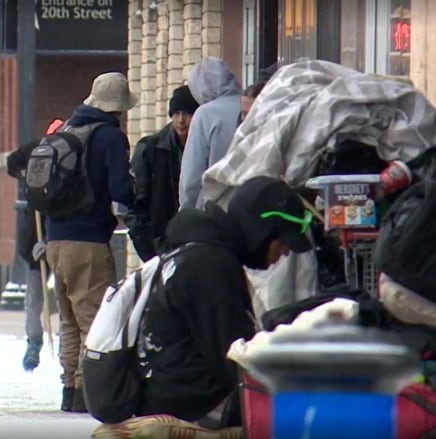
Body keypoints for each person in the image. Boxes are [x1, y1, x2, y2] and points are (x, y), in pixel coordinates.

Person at [138, 176, 314, 427]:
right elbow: (235, 360)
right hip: (189, 405)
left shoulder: (197, 251)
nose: (284, 252)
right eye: (282, 242)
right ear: (262, 230)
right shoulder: (212, 266)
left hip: (167, 392)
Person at [45, 72, 136, 412]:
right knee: (95, 321)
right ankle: (86, 395)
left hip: (56, 239)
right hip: (88, 242)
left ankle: (69, 389)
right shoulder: (109, 136)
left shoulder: (69, 129)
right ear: (118, 108)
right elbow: (120, 190)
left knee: (69, 320)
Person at [6, 117, 64, 372]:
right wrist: (26, 178)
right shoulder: (33, 150)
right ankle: (34, 341)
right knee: (35, 297)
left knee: (65, 295)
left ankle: (66, 344)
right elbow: (12, 163)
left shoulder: (70, 156)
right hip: (36, 234)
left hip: (62, 233)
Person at [125, 85, 200, 261]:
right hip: (160, 244)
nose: (181, 120)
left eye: (187, 114)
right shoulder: (150, 148)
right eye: (176, 113)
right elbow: (134, 205)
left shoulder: (203, 147)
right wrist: (148, 247)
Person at [178, 57, 242, 210]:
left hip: (214, 207)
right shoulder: (252, 105)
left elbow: (191, 176)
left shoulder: (205, 114)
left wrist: (186, 210)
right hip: (251, 205)